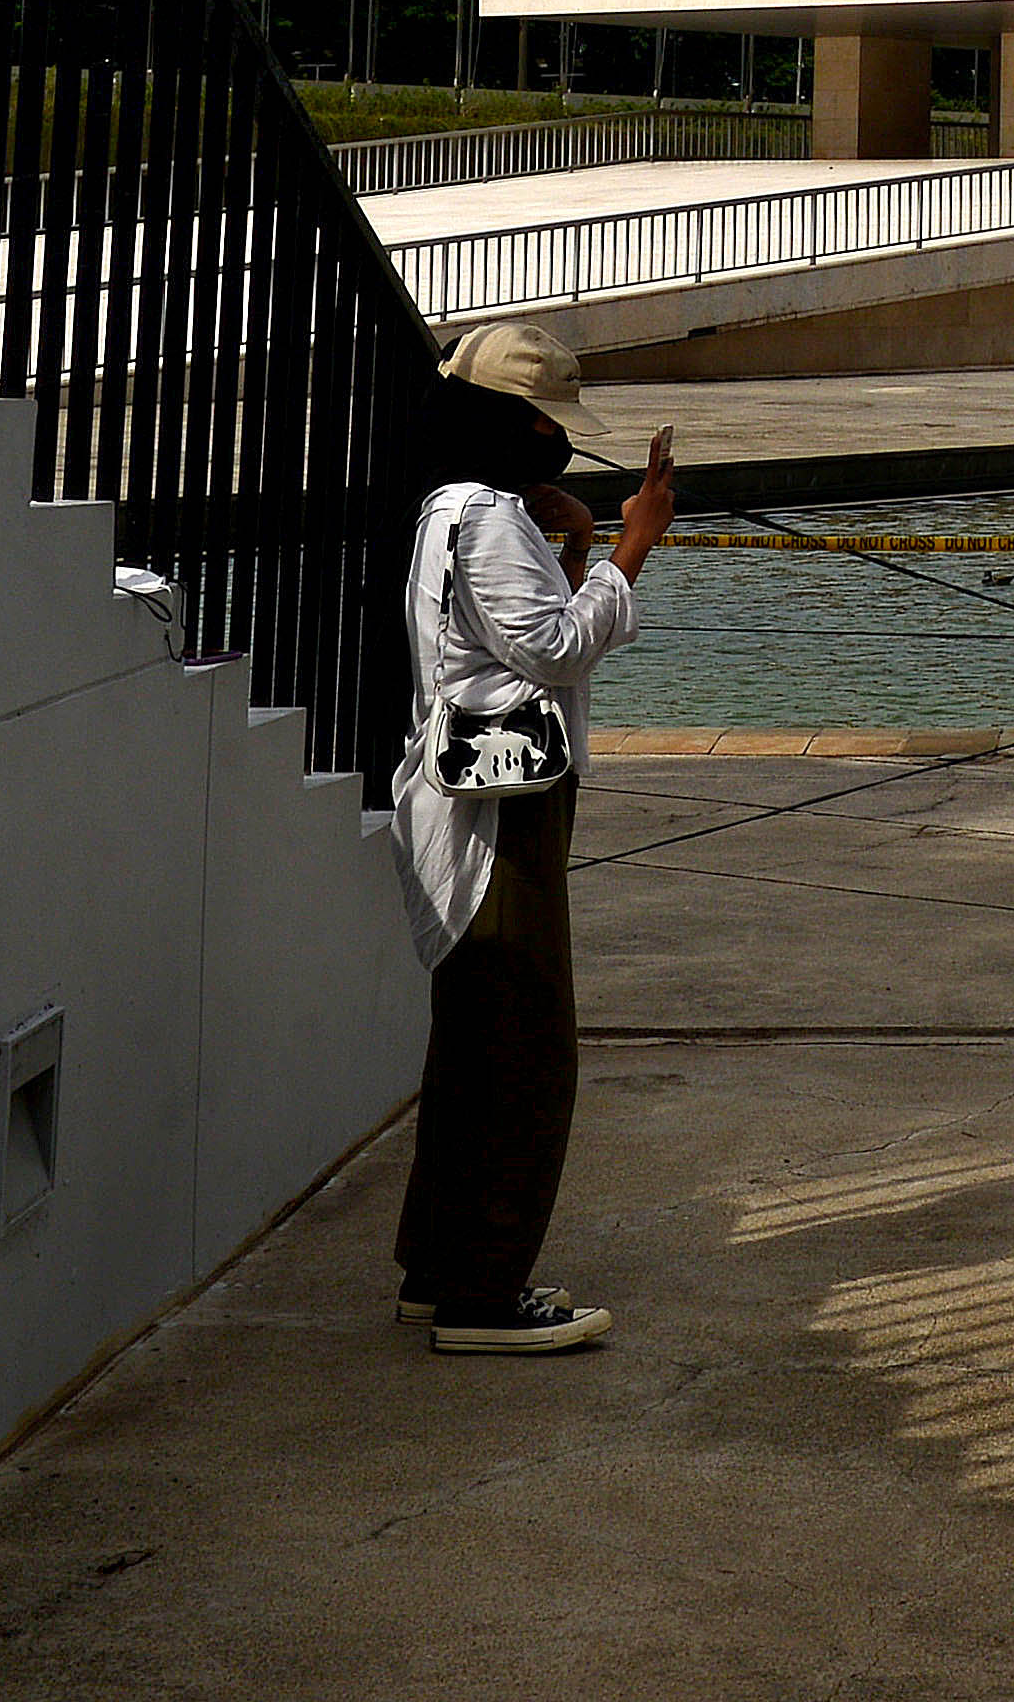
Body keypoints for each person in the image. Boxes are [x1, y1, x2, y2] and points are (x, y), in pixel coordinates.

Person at [388, 321, 672, 1354]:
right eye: (547, 420)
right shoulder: (487, 516)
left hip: (477, 793)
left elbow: (508, 637)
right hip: (500, 810)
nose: (559, 439)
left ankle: (440, 1268)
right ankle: (485, 1292)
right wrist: (638, 542)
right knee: (524, 1046)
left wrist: (580, 545)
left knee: (475, 1041)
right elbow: (550, 648)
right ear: (510, 422)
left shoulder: (452, 507)